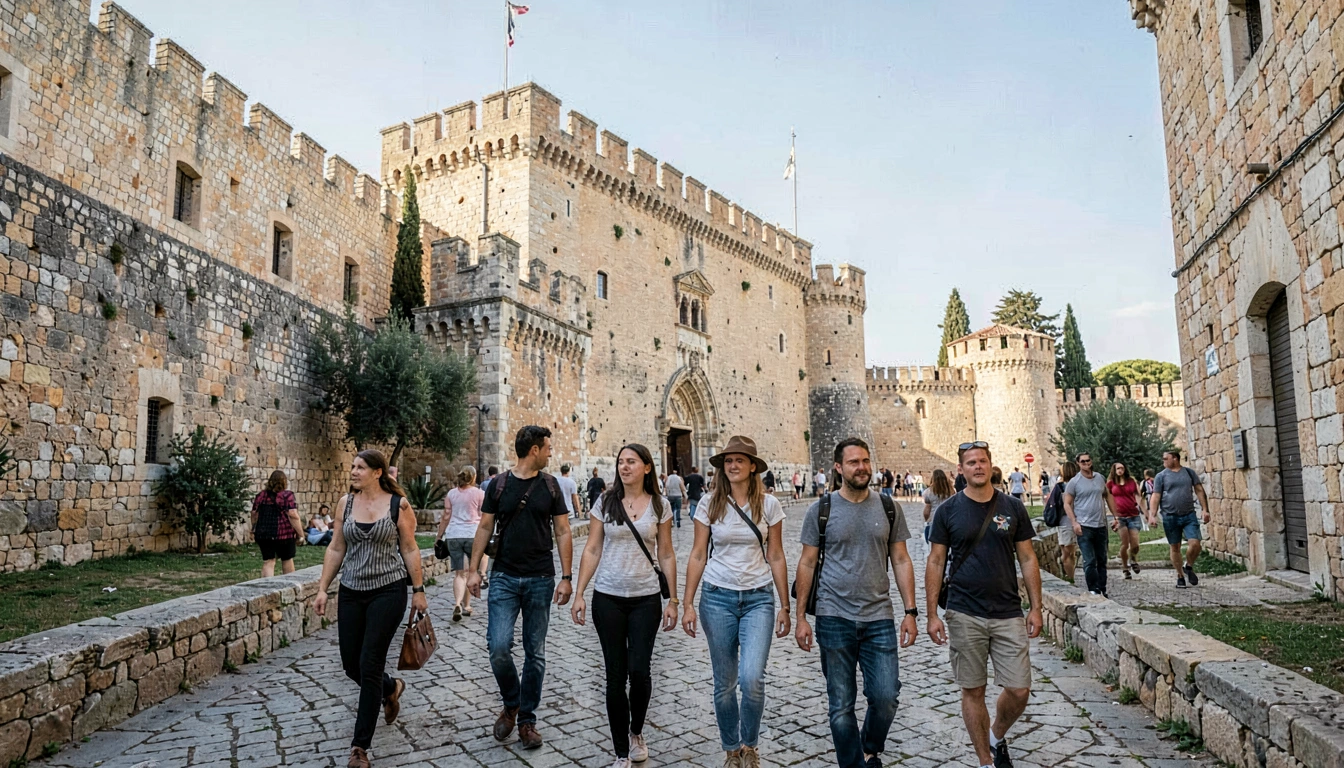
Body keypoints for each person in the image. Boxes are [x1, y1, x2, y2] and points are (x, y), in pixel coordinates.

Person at [794, 438, 918, 768]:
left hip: (879, 616)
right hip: (833, 617)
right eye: (853, 462)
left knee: (886, 696)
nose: (861, 467)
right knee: (841, 704)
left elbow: (902, 559)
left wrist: (911, 611)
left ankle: (869, 746)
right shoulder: (821, 510)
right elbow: (806, 563)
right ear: (838, 468)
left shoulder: (889, 507)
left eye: (865, 460)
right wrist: (800, 617)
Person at [926, 441, 1043, 768]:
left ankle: (996, 735)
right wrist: (931, 613)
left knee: (1019, 689)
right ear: (961, 469)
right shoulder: (947, 511)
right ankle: (985, 761)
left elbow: (1028, 557)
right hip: (964, 612)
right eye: (970, 462)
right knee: (973, 689)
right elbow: (935, 562)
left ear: (991, 466)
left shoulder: (1012, 507)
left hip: (1007, 610)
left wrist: (1036, 606)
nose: (977, 467)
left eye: (982, 461)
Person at [314, 450, 428, 768]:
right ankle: (391, 688)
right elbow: (337, 546)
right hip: (351, 591)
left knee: (370, 662)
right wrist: (323, 588)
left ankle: (359, 748)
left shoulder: (397, 506)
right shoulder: (345, 504)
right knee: (352, 664)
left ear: (377, 473)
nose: (353, 471)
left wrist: (418, 590)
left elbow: (409, 548)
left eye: (360, 467)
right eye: (352, 466)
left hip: (388, 592)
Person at [681, 436, 790, 768]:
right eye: (728, 461)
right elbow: (698, 554)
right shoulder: (709, 504)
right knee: (725, 683)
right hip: (717, 598)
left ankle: (750, 744)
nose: (733, 466)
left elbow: (776, 555)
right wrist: (686, 602)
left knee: (752, 678)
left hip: (759, 598)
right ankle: (732, 749)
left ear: (752, 466)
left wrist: (785, 605)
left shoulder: (769, 505)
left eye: (740, 460)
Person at [572, 444, 678, 768]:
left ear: (647, 467)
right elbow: (591, 549)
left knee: (640, 672)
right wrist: (579, 592)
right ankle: (621, 752)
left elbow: (667, 553)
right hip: (608, 598)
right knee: (615, 677)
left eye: (631, 461)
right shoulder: (605, 502)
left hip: (646, 598)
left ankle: (636, 732)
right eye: (620, 462)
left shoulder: (660, 505)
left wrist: (674, 600)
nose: (624, 467)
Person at [467, 426, 574, 749]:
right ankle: (512, 701)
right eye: (548, 448)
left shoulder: (551, 485)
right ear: (534, 450)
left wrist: (567, 577)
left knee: (535, 654)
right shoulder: (499, 485)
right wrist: (473, 570)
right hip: (504, 577)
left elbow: (564, 531)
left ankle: (527, 719)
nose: (551, 453)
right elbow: (485, 525)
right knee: (498, 647)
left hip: (541, 577)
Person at [1147, 449, 1211, 589]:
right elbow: (1156, 496)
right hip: (1170, 516)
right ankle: (1180, 576)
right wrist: (1152, 515)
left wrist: (1205, 510)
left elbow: (1199, 490)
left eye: (1166, 458)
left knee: (1195, 544)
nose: (1163, 461)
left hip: (1189, 515)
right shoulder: (1161, 476)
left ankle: (1188, 565)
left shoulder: (1188, 473)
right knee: (1174, 547)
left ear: (1175, 458)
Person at [1064, 453, 1117, 596]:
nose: (1086, 463)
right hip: (1084, 526)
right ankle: (1093, 589)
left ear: (1091, 461)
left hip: (1100, 525)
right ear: (1078, 464)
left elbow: (1107, 496)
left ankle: (1102, 589)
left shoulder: (1100, 478)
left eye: (1088, 460)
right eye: (1083, 461)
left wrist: (1115, 516)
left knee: (1102, 559)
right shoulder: (1074, 482)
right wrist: (1074, 522)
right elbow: (1067, 503)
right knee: (1089, 560)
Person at [438, 465, 485, 622]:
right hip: (473, 535)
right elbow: (483, 515)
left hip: (454, 535)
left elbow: (446, 515)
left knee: (459, 573)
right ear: (473, 477)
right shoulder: (479, 494)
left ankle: (457, 604)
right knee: (471, 571)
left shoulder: (451, 494)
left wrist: (439, 536)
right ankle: (467, 606)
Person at [252, 470, 302, 577]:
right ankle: (290, 586)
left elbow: (254, 513)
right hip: (284, 534)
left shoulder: (261, 496)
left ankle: (267, 590)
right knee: (287, 559)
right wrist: (301, 533)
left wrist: (253, 528)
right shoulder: (287, 496)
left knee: (268, 561)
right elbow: (293, 514)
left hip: (264, 533)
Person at [1107, 462, 1144, 579]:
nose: (1120, 470)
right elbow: (1107, 498)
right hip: (1120, 517)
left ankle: (1133, 558)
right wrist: (1113, 516)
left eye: (1122, 468)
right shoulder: (1110, 484)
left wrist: (1146, 513)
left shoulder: (1131, 481)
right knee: (1125, 543)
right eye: (1118, 468)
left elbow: (1138, 496)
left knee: (1135, 544)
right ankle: (1124, 567)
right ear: (1114, 470)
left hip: (1133, 515)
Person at [1044, 462, 1079, 581]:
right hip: (1079, 520)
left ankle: (1070, 578)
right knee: (1071, 552)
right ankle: (1071, 575)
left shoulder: (1060, 487)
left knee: (1066, 554)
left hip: (1065, 522)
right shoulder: (1078, 485)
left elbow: (1053, 504)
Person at [922, 469, 955, 543]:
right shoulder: (951, 491)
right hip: (948, 522)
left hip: (933, 521)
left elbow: (927, 511)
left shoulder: (928, 492)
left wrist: (926, 520)